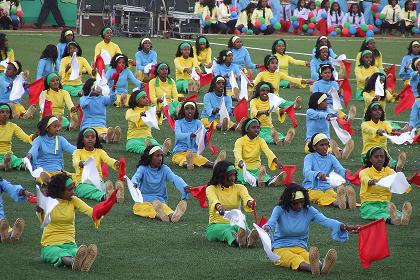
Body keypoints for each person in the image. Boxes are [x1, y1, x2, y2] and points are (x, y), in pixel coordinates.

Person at [263, 183, 360, 275]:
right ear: (288, 201)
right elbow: (271, 222)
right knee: (294, 259)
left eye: (302, 202)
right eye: (295, 203)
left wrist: (344, 226)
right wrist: (266, 228)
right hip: (280, 248)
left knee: (307, 256)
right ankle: (315, 268)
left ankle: (320, 266)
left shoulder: (309, 210)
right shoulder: (279, 209)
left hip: (300, 247)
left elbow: (326, 220)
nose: (300, 206)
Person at [36, 173, 100, 271]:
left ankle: (81, 260)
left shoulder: (73, 201)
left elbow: (91, 212)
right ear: (60, 191)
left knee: (76, 251)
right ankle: (74, 262)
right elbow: (39, 211)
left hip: (69, 244)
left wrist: (103, 209)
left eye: (73, 189)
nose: (73, 192)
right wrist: (42, 199)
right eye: (69, 190)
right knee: (58, 253)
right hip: (50, 245)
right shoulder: (48, 202)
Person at [206, 160, 259, 248]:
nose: (233, 178)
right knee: (228, 231)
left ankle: (248, 237)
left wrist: (250, 202)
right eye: (229, 175)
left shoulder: (240, 188)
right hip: (216, 225)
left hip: (237, 223)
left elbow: (246, 197)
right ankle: (239, 240)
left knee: (241, 227)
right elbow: (213, 199)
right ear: (221, 176)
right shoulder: (211, 188)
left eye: (234, 174)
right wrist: (219, 207)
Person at [131, 145, 190, 222]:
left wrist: (184, 186)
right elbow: (136, 177)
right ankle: (170, 214)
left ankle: (169, 216)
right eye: (157, 155)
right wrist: (134, 183)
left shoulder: (164, 169)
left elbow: (175, 178)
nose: (160, 158)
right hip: (151, 200)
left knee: (139, 208)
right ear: (150, 157)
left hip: (149, 200)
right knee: (164, 208)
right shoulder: (143, 168)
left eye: (161, 155)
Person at [359, 147, 412, 225]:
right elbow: (366, 179)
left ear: (385, 158)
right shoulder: (364, 172)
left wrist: (406, 181)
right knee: (374, 212)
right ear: (370, 159)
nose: (379, 159)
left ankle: (401, 217)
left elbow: (399, 182)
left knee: (390, 211)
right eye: (376, 157)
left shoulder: (390, 171)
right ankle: (392, 219)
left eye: (382, 156)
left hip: (385, 204)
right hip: (368, 204)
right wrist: (372, 181)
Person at [303, 133, 356, 209]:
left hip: (327, 187)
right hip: (311, 187)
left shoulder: (331, 157)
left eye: (327, 144)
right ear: (314, 147)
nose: (325, 147)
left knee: (332, 194)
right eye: (322, 145)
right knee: (318, 196)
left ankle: (345, 201)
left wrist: (346, 173)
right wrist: (318, 174)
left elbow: (340, 169)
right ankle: (338, 202)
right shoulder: (309, 157)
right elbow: (306, 172)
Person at [72, 128, 123, 203]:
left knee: (101, 186)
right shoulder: (77, 152)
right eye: (87, 137)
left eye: (93, 137)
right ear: (82, 140)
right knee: (87, 190)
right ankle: (108, 196)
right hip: (82, 183)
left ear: (96, 139)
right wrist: (80, 163)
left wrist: (116, 163)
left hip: (98, 181)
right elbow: (75, 162)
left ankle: (115, 194)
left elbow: (108, 159)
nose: (90, 139)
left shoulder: (100, 152)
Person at [172, 100, 225, 170]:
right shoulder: (178, 122)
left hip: (193, 152)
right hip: (179, 151)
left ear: (195, 111)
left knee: (201, 159)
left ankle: (215, 164)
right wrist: (190, 135)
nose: (189, 111)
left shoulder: (198, 123)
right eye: (187, 108)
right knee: (179, 159)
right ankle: (188, 163)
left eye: (192, 109)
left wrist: (207, 135)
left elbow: (204, 132)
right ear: (183, 111)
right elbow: (178, 135)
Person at [234, 118, 286, 187]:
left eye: (258, 127)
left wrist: (276, 160)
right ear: (247, 129)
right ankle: (261, 181)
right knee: (245, 178)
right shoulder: (240, 141)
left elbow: (268, 151)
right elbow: (237, 153)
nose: (256, 129)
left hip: (257, 168)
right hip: (243, 168)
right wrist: (240, 162)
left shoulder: (260, 140)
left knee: (265, 177)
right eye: (253, 127)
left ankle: (271, 181)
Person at [26, 115, 76, 182]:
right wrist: (29, 154)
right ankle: (49, 180)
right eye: (55, 127)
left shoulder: (60, 140)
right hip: (42, 170)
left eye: (58, 126)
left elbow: (71, 149)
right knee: (42, 176)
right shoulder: (39, 140)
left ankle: (53, 180)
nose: (57, 129)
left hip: (57, 170)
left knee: (73, 178)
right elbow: (34, 149)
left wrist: (82, 149)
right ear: (47, 128)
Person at [361, 102, 406, 171]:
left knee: (383, 160)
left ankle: (395, 166)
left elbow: (389, 129)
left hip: (383, 153)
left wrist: (394, 131)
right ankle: (394, 167)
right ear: (370, 112)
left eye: (379, 110)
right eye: (375, 110)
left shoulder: (385, 123)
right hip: (368, 152)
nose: (378, 111)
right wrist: (377, 131)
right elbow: (369, 129)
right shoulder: (364, 124)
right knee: (379, 164)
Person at [125, 89, 171, 155]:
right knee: (131, 146)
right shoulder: (130, 111)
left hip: (148, 138)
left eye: (146, 97)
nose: (147, 99)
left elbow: (156, 123)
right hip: (134, 139)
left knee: (155, 145)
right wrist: (140, 115)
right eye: (143, 97)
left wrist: (158, 114)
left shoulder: (150, 109)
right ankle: (153, 150)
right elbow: (129, 117)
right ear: (137, 100)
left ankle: (158, 150)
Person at [79, 78, 120, 144]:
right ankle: (106, 137)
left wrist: (113, 90)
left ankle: (113, 138)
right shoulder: (84, 98)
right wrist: (90, 96)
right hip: (88, 126)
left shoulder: (102, 99)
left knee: (105, 131)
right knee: (94, 134)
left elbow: (112, 100)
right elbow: (83, 105)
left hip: (101, 125)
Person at [0, 103, 35, 171]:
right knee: (14, 162)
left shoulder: (12, 126)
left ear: (10, 114)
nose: (5, 114)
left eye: (7, 112)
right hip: (7, 157)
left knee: (16, 160)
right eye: (2, 112)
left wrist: (35, 135)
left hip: (8, 155)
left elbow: (26, 138)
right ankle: (6, 165)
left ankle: (7, 164)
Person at [0, 178, 30, 243]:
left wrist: (22, 191)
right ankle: (7, 234)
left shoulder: (1, 182)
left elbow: (11, 188)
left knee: (3, 224)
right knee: (3, 225)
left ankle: (8, 235)